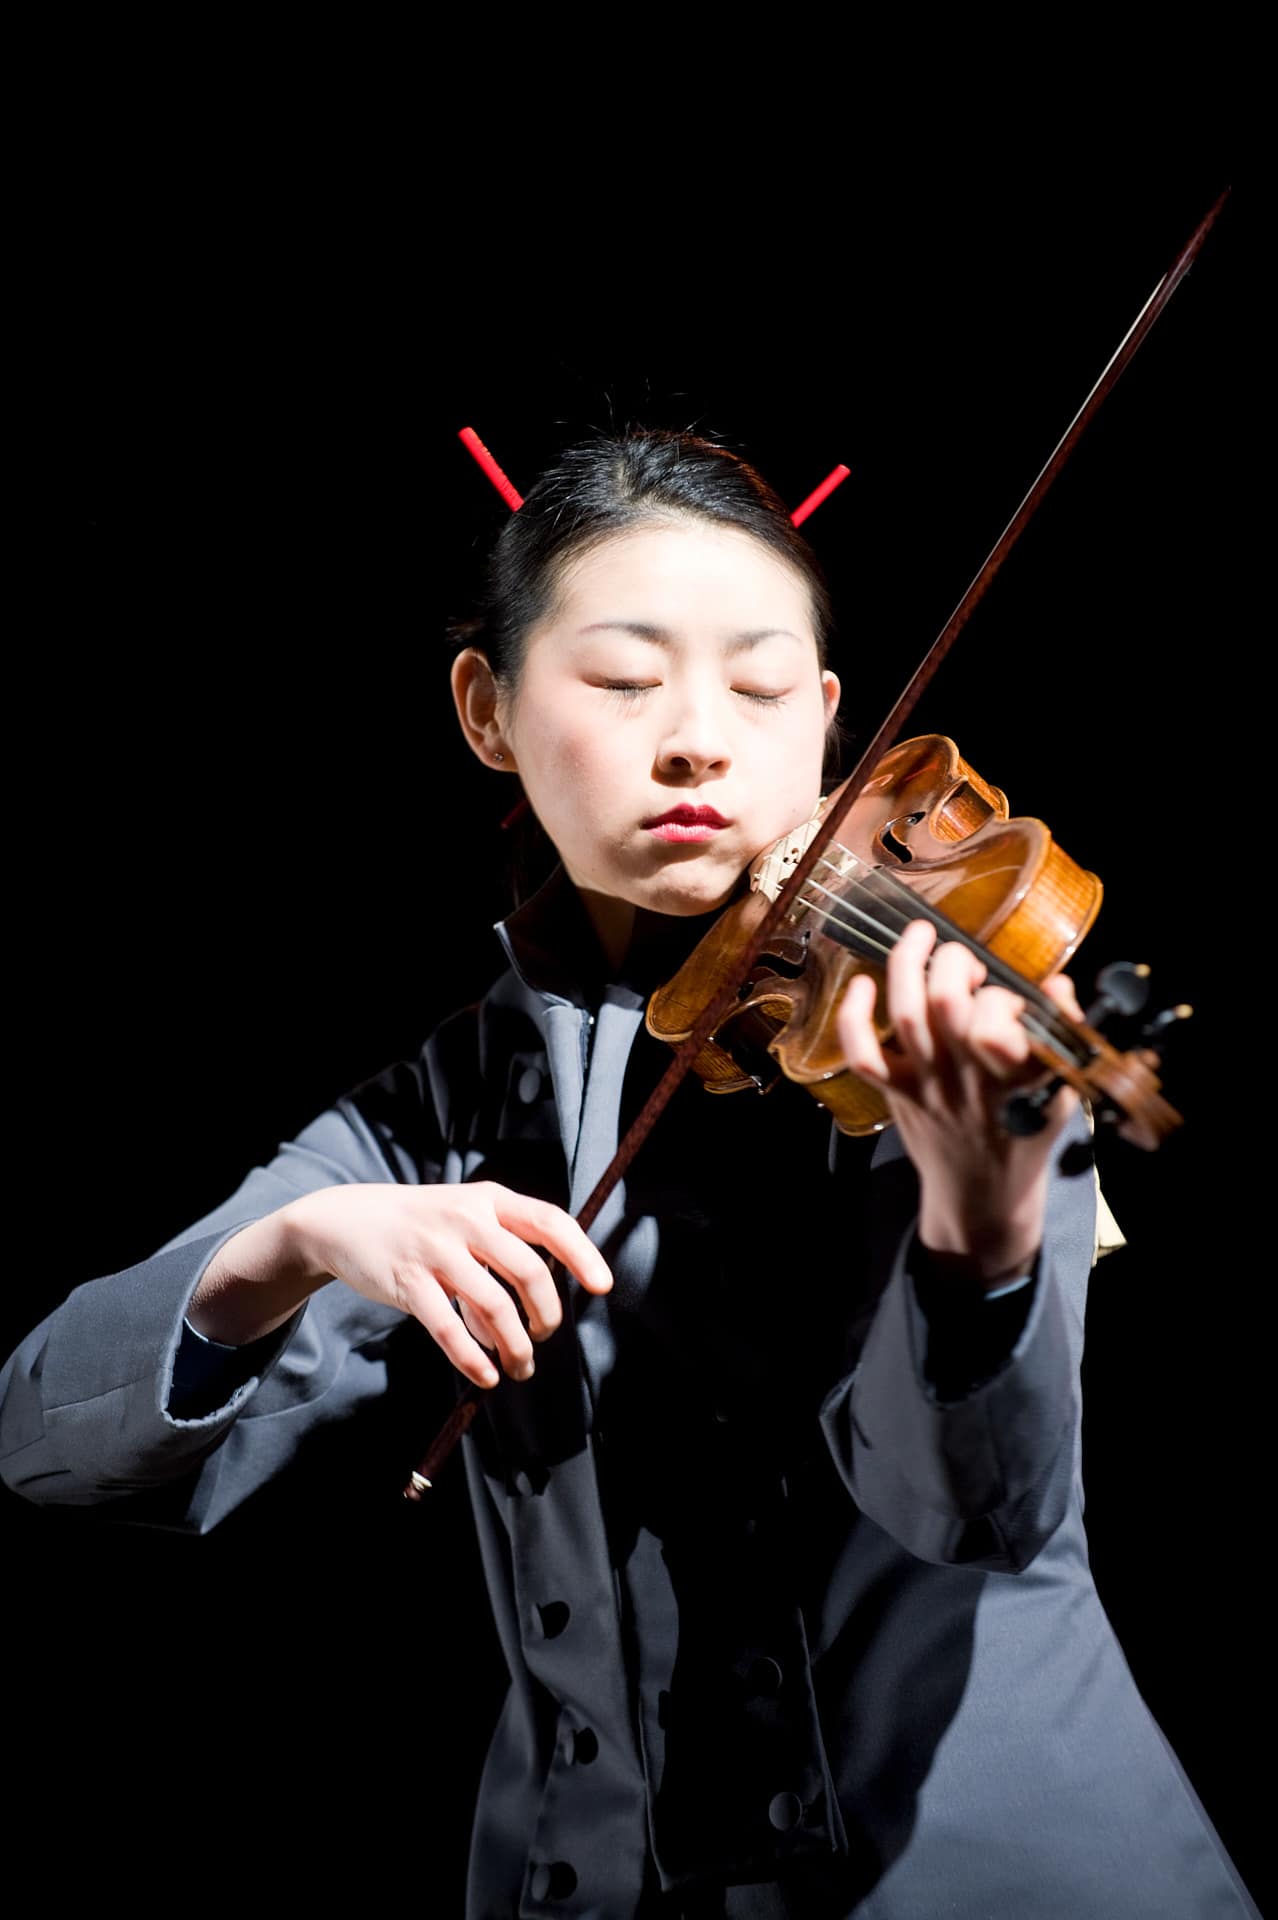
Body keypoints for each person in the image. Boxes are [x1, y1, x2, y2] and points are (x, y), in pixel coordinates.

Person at [0, 431, 1258, 1917]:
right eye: (620, 680)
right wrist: (295, 1242)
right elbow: (50, 1438)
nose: (698, 741)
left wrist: (981, 1235)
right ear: (487, 711)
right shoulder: (451, 1100)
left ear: (830, 720)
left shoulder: (918, 1043)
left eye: (760, 687)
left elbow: (973, 1516)